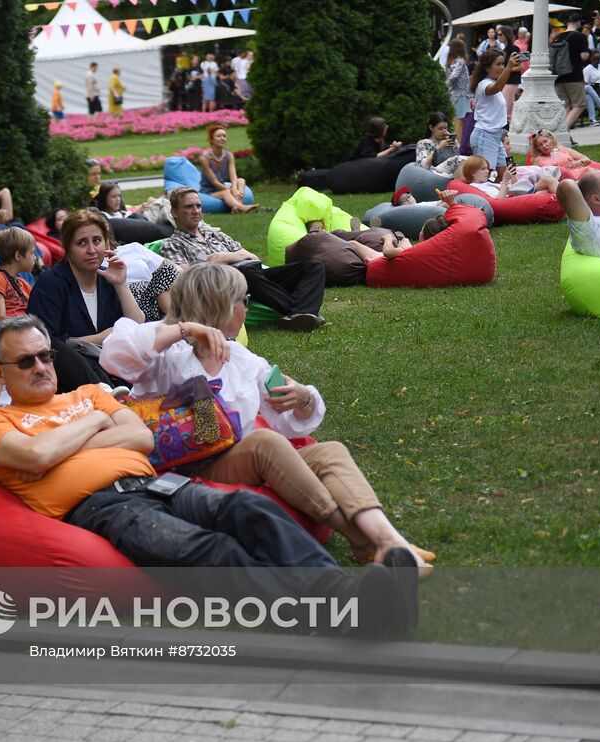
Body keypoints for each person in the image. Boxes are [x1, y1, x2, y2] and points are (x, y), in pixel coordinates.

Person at [0, 314, 420, 633]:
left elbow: (140, 440)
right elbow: (33, 457)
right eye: (25, 362)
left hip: (154, 483)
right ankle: (331, 616)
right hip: (103, 507)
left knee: (247, 507)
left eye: (45, 356)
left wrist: (60, 447)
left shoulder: (85, 392)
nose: (42, 367)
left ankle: (349, 595)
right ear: (0, 373)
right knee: (206, 548)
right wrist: (93, 424)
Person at [102, 263, 433, 571]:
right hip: (184, 466)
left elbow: (287, 421)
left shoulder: (244, 359)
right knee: (263, 443)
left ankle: (389, 539)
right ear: (220, 305)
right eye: (243, 299)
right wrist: (185, 329)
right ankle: (361, 537)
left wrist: (303, 398)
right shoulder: (167, 351)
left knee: (328, 451)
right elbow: (117, 355)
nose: (247, 305)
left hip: (238, 456)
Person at [158, 187, 326, 331]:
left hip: (256, 273)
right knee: (245, 272)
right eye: (189, 207)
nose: (196, 211)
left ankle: (298, 314)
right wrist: (219, 263)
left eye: (198, 206)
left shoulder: (215, 234)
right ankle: (304, 312)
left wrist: (224, 257)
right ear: (174, 212)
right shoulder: (173, 244)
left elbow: (251, 256)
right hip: (228, 282)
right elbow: (185, 276)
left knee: (314, 266)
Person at [26, 209, 144, 390]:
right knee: (60, 349)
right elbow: (44, 344)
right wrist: (100, 338)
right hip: (70, 375)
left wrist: (120, 283)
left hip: (113, 365)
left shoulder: (109, 277)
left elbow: (136, 325)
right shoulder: (51, 284)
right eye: (82, 243)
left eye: (97, 241)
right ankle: (107, 394)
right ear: (68, 248)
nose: (91, 250)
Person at [469, 50, 523, 182]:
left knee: (504, 175)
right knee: (485, 178)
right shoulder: (484, 85)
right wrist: (510, 67)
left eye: (503, 64)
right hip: (485, 136)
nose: (502, 67)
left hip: (495, 136)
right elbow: (497, 87)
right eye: (498, 64)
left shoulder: (490, 82)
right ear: (487, 67)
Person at [197, 124, 256, 214]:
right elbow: (214, 182)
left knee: (241, 181)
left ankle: (236, 207)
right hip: (209, 191)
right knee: (226, 192)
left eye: (224, 136)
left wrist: (235, 189)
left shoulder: (229, 155)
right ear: (212, 140)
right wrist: (231, 190)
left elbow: (233, 175)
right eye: (219, 136)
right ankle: (242, 207)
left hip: (223, 186)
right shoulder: (205, 159)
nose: (222, 138)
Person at [0, 226, 37, 323]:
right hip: (12, 331)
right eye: (32, 253)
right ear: (18, 256)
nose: (35, 257)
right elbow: (0, 318)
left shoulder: (23, 283)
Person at [553, 15, 593, 131]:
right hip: (574, 75)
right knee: (579, 105)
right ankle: (562, 131)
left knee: (565, 106)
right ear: (578, 22)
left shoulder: (558, 37)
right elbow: (584, 56)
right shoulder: (580, 37)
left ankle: (565, 135)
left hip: (559, 76)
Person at [528, 129, 600, 181]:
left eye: (545, 141)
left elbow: (587, 160)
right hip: (564, 180)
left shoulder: (563, 150)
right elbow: (538, 176)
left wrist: (578, 163)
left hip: (581, 172)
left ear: (552, 139)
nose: (544, 146)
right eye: (540, 145)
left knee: (591, 172)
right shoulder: (538, 159)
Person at [461, 155, 558, 199]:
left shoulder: (485, 183)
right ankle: (570, 200)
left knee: (544, 191)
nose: (487, 171)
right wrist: (505, 180)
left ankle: (569, 199)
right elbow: (498, 201)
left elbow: (512, 188)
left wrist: (513, 177)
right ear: (472, 172)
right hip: (515, 198)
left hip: (517, 193)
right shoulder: (477, 187)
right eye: (483, 169)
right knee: (547, 180)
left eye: (487, 168)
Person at [444, 38, 473, 136]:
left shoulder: (453, 61)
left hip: (455, 95)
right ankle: (458, 146)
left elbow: (451, 76)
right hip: (458, 95)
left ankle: (457, 146)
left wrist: (444, 85)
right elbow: (453, 76)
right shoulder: (458, 61)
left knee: (456, 121)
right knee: (458, 122)